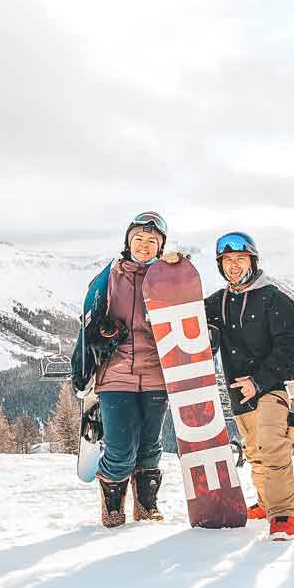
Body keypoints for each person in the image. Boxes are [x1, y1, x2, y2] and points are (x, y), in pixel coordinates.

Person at [75, 211, 180, 528]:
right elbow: (88, 324)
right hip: (116, 374)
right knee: (120, 448)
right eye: (139, 239)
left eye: (152, 241)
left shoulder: (168, 279)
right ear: (128, 242)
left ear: (160, 247)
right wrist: (91, 351)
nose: (145, 245)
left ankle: (147, 506)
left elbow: (185, 318)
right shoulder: (109, 277)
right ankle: (112, 505)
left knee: (150, 445)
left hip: (157, 375)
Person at [204, 232, 294, 541]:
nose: (233, 267)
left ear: (253, 260)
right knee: (254, 451)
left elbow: (288, 348)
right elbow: (186, 316)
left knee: (272, 445)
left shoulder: (276, 299)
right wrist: (172, 266)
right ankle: (265, 501)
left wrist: (258, 381)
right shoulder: (217, 302)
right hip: (239, 390)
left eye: (240, 259)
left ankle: (283, 514)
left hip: (273, 385)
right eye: (227, 261)